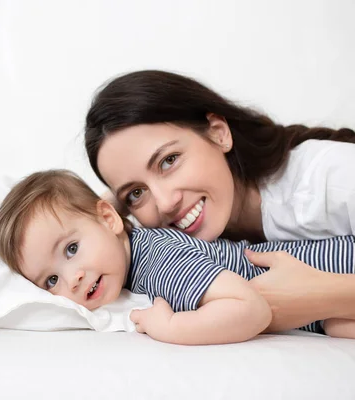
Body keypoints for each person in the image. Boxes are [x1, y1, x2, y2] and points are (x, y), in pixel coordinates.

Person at [84, 70, 355, 332]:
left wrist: (322, 294)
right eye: (136, 193)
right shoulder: (190, 245)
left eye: (169, 160)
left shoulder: (333, 175)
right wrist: (103, 211)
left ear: (218, 132)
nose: (165, 203)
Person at [0, 169, 355, 345]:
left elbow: (250, 309)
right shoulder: (135, 260)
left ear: (109, 218)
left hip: (337, 264)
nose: (73, 278)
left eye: (71, 249)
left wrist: (170, 328)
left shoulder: (157, 260)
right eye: (51, 281)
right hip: (323, 311)